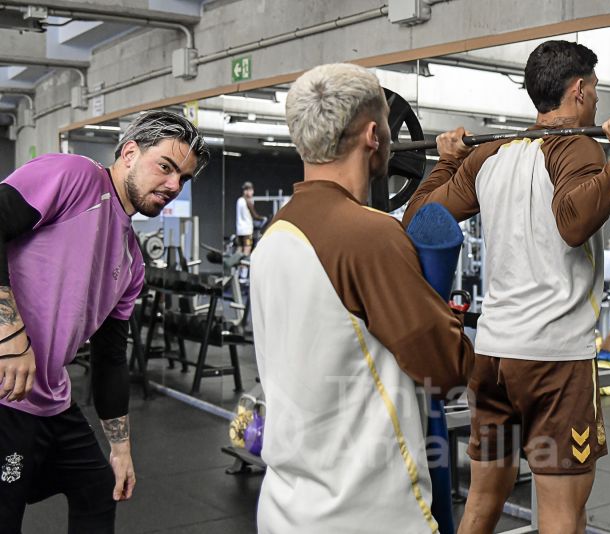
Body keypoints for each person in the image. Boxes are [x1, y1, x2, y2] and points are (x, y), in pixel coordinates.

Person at [401, 41, 610, 534]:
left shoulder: (491, 154)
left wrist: (446, 162)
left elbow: (418, 220)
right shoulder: (577, 144)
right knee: (561, 514)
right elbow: (574, 223)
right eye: (593, 91)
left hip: (492, 355)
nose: (595, 101)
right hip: (554, 361)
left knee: (483, 500)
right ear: (578, 90)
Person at [249, 63, 474, 534]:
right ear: (374, 135)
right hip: (368, 514)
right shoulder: (370, 235)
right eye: (389, 129)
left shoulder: (273, 235)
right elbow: (448, 367)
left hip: (287, 508)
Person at [0, 110, 209, 533]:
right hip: (5, 393)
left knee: (98, 487)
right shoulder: (75, 176)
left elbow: (112, 356)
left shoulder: (132, 259)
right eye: (166, 167)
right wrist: (11, 335)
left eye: (183, 178)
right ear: (130, 153)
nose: (173, 185)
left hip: (50, 398)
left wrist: (121, 447)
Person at [235, 181, 267, 256]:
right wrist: (263, 218)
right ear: (247, 191)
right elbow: (255, 216)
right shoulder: (248, 201)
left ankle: (237, 266)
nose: (252, 193)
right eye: (251, 191)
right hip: (247, 231)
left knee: (239, 250)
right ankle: (243, 267)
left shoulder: (239, 200)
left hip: (239, 231)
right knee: (247, 250)